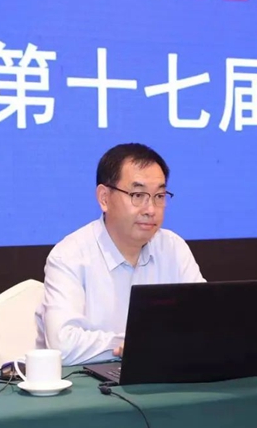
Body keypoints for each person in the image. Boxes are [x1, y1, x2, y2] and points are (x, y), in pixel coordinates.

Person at [35, 143, 206, 365]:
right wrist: (134, 343)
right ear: (104, 198)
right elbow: (63, 346)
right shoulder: (69, 256)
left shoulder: (173, 248)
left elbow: (205, 322)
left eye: (159, 196)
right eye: (138, 195)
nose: (151, 209)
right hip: (86, 382)